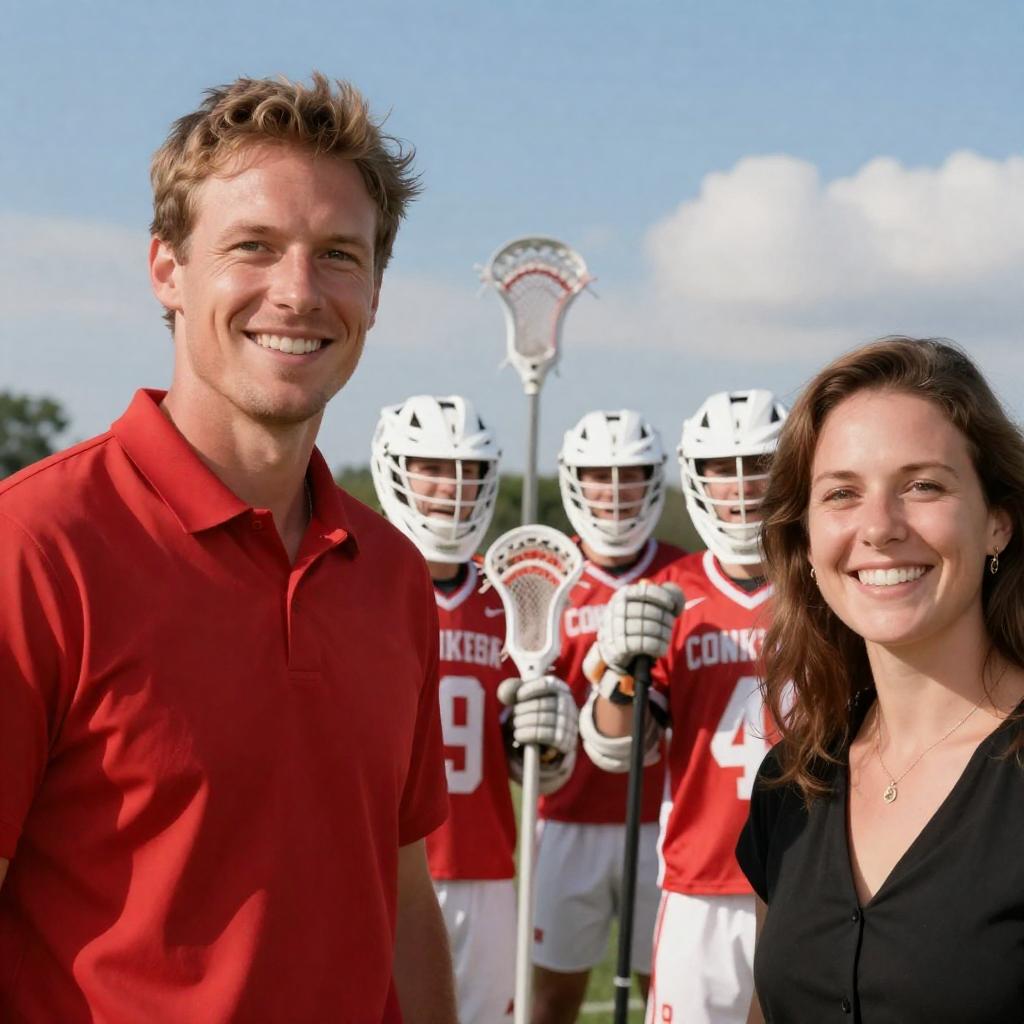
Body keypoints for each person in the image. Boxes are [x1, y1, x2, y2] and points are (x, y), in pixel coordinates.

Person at [0, 74, 458, 1022]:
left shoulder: (393, 575)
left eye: (338, 254)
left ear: (375, 291)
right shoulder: (32, 546)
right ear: (167, 270)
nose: (298, 292)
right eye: (254, 246)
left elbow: (403, 896)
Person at [735, 337, 1024, 1022]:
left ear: (997, 523)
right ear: (806, 543)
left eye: (923, 486)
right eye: (842, 493)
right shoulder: (793, 782)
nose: (879, 528)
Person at [581, 390, 787, 1024]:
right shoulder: (669, 591)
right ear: (698, 478)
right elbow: (619, 746)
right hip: (699, 879)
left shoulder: (827, 586)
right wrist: (620, 671)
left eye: (759, 464)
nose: (742, 485)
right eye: (724, 468)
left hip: (808, 876)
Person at [370, 394, 578, 1024]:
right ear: (394, 469)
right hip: (383, 865)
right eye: (432, 467)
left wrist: (547, 737)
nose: (451, 486)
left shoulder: (508, 592)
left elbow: (533, 760)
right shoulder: (360, 579)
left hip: (485, 865)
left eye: (468, 470)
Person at [530, 409, 686, 1024]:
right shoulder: (544, 579)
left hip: (661, 822)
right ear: (574, 479)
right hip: (565, 817)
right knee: (550, 999)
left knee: (666, 993)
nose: (615, 490)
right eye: (599, 475)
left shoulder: (682, 573)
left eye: (631, 475)